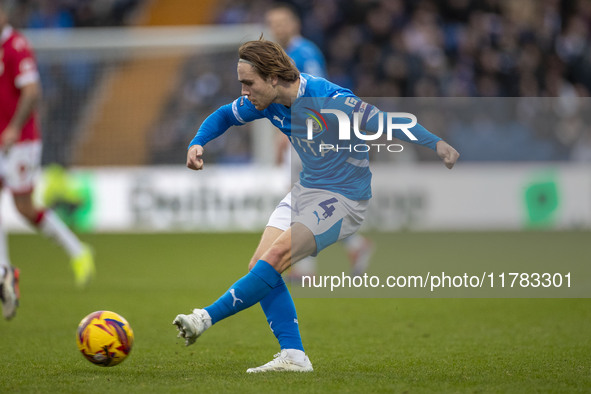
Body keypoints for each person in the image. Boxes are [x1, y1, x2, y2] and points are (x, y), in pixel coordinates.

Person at [173, 38, 459, 373]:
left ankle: (203, 318)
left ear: (273, 78)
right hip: (306, 190)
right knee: (260, 267)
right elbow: (225, 115)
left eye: (248, 83)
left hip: (344, 198)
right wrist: (197, 143)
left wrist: (436, 143)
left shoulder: (329, 99)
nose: (244, 91)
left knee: (275, 258)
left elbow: (385, 121)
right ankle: (294, 356)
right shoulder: (263, 102)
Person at [0, 1, 95, 321]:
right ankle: (5, 273)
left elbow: (31, 92)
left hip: (20, 141)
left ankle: (78, 251)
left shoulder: (16, 45)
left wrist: (13, 127)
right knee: (20, 207)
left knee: (24, 207)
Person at [266, 3, 374, 279]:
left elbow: (317, 97)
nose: (277, 27)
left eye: (282, 22)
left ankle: (310, 264)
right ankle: (344, 248)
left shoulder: (304, 53)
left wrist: (285, 134)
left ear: (295, 25)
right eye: (273, 23)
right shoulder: (286, 54)